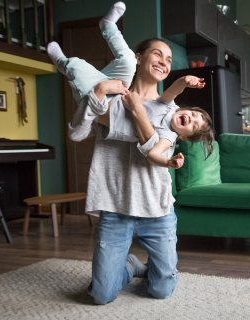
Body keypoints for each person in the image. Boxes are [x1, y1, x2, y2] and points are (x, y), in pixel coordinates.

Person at [52, 2, 214, 304]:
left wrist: (140, 113)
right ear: (138, 58)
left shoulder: (172, 113)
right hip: (115, 208)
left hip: (158, 210)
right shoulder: (114, 98)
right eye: (158, 54)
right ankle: (130, 265)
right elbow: (77, 132)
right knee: (100, 295)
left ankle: (155, 268)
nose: (164, 61)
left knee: (161, 290)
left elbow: (154, 148)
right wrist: (100, 93)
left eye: (169, 59)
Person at [47, 1, 214, 168]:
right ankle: (108, 25)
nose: (191, 118)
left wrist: (168, 162)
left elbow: (153, 154)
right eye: (193, 114)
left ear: (184, 137)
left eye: (194, 125)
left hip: (100, 102)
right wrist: (185, 81)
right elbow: (173, 91)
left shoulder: (168, 136)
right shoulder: (169, 107)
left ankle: (61, 61)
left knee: (76, 66)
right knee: (127, 60)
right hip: (119, 88)